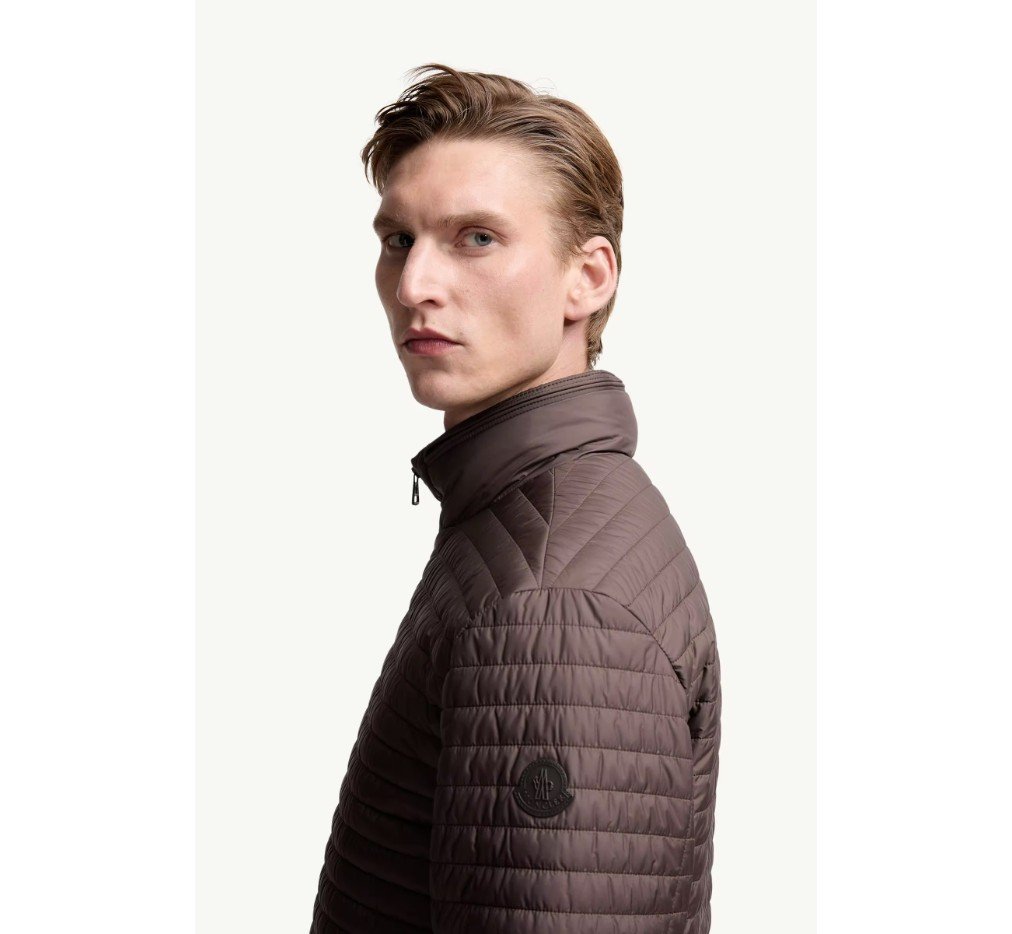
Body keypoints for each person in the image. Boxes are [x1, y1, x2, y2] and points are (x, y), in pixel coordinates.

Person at [310, 62, 721, 934]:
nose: (415, 285)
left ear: (589, 277)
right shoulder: (527, 520)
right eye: (398, 240)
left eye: (476, 238)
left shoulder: (552, 601)